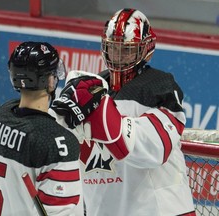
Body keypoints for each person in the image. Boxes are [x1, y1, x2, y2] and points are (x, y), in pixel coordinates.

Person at [50, 8, 196, 216]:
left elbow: (155, 150)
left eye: (127, 50)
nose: (118, 56)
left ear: (145, 49)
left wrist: (104, 117)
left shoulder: (159, 86)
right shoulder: (90, 87)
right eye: (113, 48)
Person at [0, 41, 83, 216]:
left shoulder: (2, 115)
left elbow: (36, 127)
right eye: (53, 74)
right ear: (49, 81)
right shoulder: (60, 144)